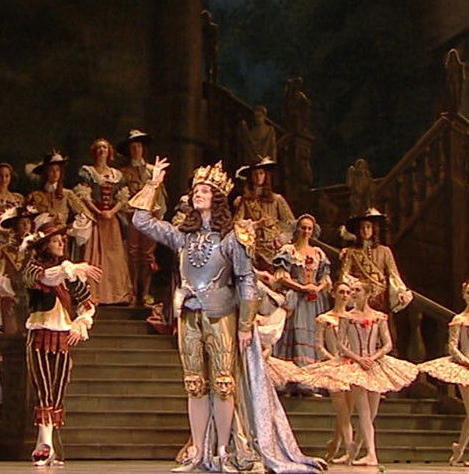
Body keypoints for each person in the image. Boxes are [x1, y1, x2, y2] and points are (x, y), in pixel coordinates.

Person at [130, 158, 326, 474]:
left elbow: (246, 279)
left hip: (221, 313)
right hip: (189, 313)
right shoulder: (183, 236)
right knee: (194, 383)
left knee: (223, 383)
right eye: (195, 190)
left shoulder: (234, 236)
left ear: (217, 197)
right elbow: (141, 220)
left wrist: (246, 324)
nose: (198, 194)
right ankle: (198, 450)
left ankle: (223, 449)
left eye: (205, 190)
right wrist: (153, 183)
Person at [21, 218, 102, 466]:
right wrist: (71, 267)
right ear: (45, 245)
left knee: (57, 391)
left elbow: (88, 304)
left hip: (62, 336)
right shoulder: (34, 268)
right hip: (40, 333)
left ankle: (47, 445)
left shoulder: (69, 274)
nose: (60, 244)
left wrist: (81, 323)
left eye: (61, 240)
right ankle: (45, 445)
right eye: (55, 241)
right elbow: (47, 278)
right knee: (43, 389)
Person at [419, 280, 469, 467]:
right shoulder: (459, 320)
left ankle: (459, 449)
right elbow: (453, 347)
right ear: (463, 295)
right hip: (465, 368)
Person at [336, 280, 418, 466]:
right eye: (352, 290)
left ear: (367, 294)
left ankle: (355, 449)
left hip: (374, 364)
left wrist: (373, 357)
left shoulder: (379, 317)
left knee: (372, 412)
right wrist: (358, 358)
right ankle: (371, 453)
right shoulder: (347, 317)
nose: (353, 293)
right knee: (364, 411)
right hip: (356, 365)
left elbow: (388, 344)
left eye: (357, 290)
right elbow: (340, 344)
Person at [293, 281, 358, 463]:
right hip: (333, 365)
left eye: (348, 292)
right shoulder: (324, 319)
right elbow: (319, 345)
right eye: (342, 292)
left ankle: (334, 445)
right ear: (334, 294)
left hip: (351, 365)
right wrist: (333, 359)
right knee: (342, 410)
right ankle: (349, 449)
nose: (345, 296)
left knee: (348, 410)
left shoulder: (352, 318)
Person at [74, 138, 134, 304]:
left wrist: (111, 212)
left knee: (114, 256)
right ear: (94, 151)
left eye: (105, 148)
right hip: (95, 219)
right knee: (94, 254)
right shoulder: (87, 172)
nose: (102, 150)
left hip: (111, 220)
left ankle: (117, 294)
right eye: (99, 148)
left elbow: (122, 197)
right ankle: (93, 294)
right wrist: (98, 211)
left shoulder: (116, 175)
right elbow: (84, 195)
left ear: (109, 152)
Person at [273, 214, 331, 367]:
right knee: (297, 332)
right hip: (296, 299)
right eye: (303, 228)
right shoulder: (289, 250)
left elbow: (325, 278)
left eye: (309, 229)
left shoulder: (318, 253)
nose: (306, 231)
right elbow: (281, 277)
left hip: (315, 301)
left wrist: (317, 288)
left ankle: (312, 373)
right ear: (297, 229)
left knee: (315, 334)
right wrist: (302, 288)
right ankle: (296, 371)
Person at [119, 129, 167, 306]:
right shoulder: (123, 172)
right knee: (132, 254)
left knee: (147, 255)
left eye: (138, 146)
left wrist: (158, 216)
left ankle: (146, 292)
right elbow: (121, 196)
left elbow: (160, 195)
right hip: (131, 216)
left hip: (149, 217)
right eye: (132, 147)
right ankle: (132, 291)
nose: (136, 150)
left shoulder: (153, 170)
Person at [339, 208, 412, 314]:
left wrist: (400, 291)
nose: (365, 230)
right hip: (359, 298)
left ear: (374, 229)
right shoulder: (350, 252)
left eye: (368, 227)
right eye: (362, 228)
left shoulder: (385, 251)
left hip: (381, 298)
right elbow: (344, 275)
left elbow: (393, 274)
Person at [233, 157, 295, 270]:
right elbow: (236, 225)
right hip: (253, 250)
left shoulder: (277, 199)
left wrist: (281, 239)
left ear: (266, 175)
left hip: (274, 249)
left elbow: (291, 224)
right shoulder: (245, 201)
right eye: (255, 174)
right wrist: (255, 225)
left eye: (261, 173)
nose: (258, 177)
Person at [0, 205, 37, 334]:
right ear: (14, 226)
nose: (26, 226)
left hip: (32, 297)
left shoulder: (36, 249)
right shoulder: (3, 251)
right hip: (11, 297)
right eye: (22, 223)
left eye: (28, 222)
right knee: (12, 331)